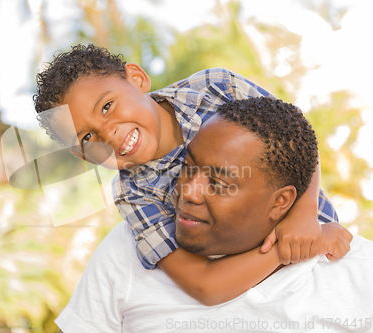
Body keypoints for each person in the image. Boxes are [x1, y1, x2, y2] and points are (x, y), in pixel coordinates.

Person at [33, 44, 339, 305]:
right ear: (81, 154)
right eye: (86, 138)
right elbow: (204, 284)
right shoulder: (134, 195)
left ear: (136, 79)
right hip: (258, 289)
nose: (108, 134)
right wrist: (288, 251)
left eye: (107, 106)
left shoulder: (214, 88)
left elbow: (296, 138)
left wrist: (305, 212)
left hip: (326, 256)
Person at [54, 97, 371, 333]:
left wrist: (308, 218)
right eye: (187, 168)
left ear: (282, 202)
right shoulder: (126, 252)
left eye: (219, 183)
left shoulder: (356, 272)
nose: (188, 192)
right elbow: (207, 287)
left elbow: (302, 142)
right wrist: (285, 250)